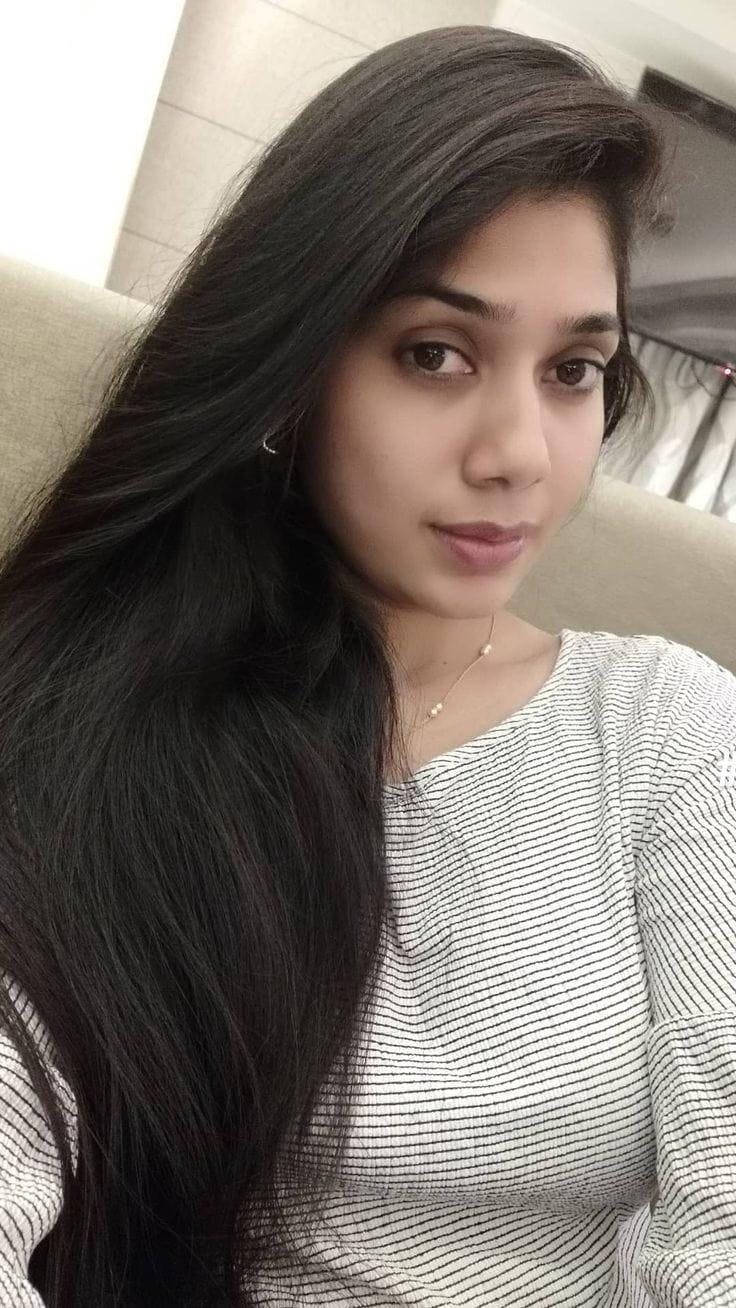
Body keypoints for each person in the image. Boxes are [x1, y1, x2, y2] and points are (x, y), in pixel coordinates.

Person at [0, 22, 734, 1308]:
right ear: (294, 367)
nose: (519, 453)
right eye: (434, 353)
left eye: (573, 370)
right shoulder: (102, 704)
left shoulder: (666, 732)